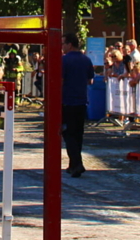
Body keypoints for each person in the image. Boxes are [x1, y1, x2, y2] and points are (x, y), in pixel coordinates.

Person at [61, 33, 94, 178]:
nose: (62, 46)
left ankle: (77, 163)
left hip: (67, 101)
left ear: (69, 44)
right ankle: (73, 165)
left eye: (63, 44)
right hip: (82, 101)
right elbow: (90, 81)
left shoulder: (64, 60)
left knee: (68, 133)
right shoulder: (86, 59)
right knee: (78, 134)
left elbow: (60, 80)